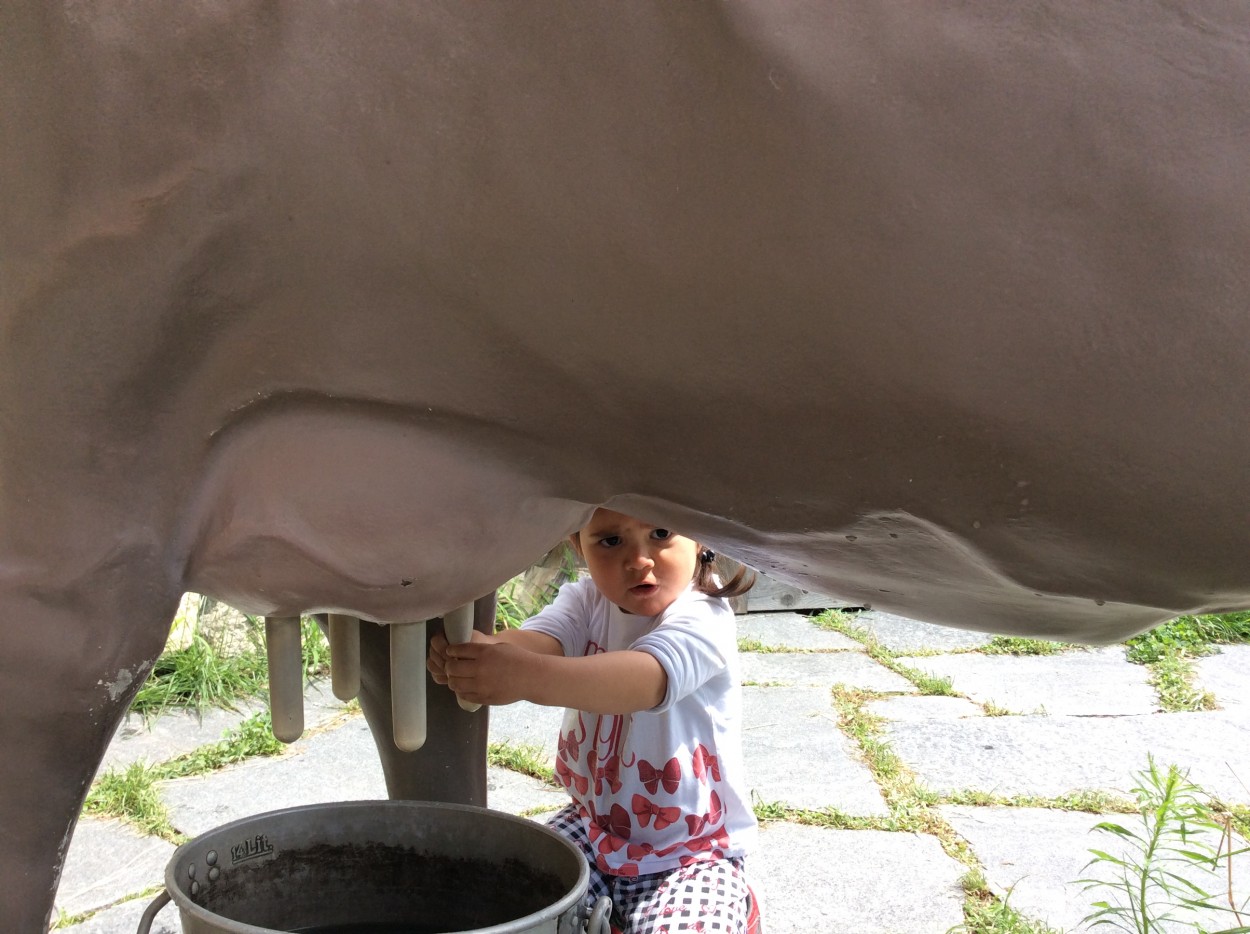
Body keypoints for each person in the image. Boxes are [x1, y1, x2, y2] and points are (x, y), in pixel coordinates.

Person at [428, 507, 759, 934]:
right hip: (593, 828)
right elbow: (541, 642)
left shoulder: (704, 616)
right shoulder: (587, 601)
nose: (639, 559)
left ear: (700, 537)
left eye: (661, 533)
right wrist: (484, 654)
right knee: (508, 892)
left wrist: (523, 675)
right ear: (577, 543)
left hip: (691, 853)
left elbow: (645, 679)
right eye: (610, 540)